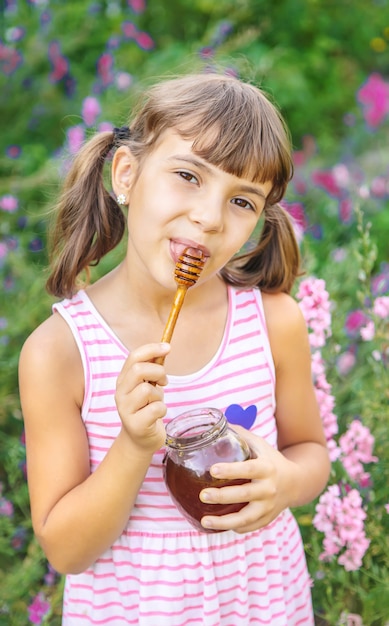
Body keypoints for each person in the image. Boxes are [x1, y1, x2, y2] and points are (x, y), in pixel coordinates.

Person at [19, 72, 330, 626]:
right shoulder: (61, 352)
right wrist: (135, 446)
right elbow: (67, 550)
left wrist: (285, 481)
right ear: (127, 175)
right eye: (188, 176)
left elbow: (311, 451)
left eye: (241, 200)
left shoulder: (273, 321)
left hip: (264, 603)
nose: (209, 218)